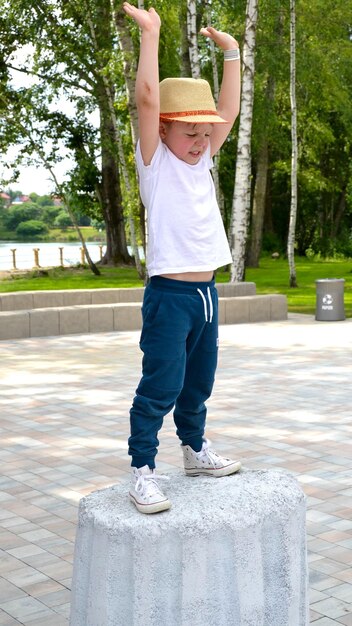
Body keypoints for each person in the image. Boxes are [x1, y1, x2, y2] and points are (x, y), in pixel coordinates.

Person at [123, 2, 242, 514]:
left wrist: (234, 55)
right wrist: (150, 35)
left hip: (206, 294)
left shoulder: (202, 161)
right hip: (170, 296)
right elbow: (147, 100)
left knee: (199, 381)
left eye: (203, 132)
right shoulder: (155, 163)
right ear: (165, 130)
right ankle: (142, 470)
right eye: (188, 131)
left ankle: (194, 449)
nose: (199, 140)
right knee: (161, 383)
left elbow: (229, 112)